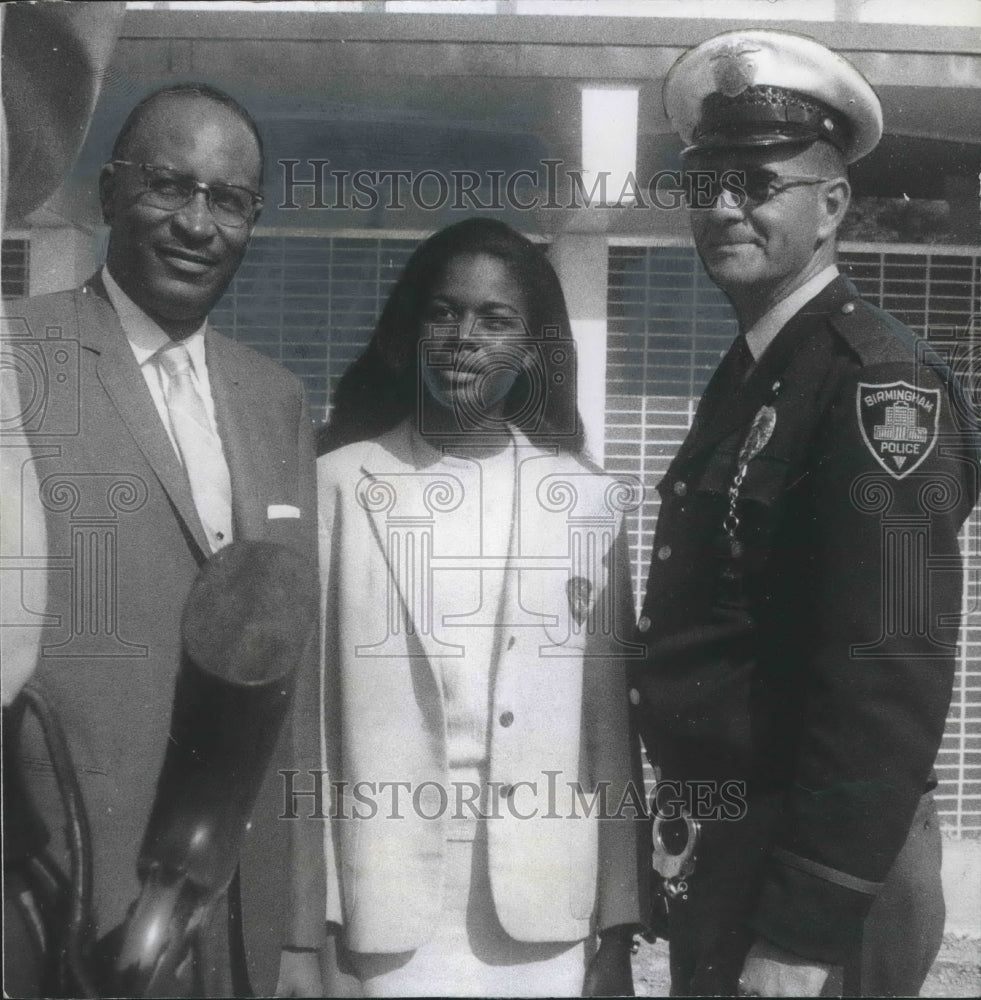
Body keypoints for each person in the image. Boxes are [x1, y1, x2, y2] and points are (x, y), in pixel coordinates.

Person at [629, 29, 979, 998]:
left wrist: (805, 926)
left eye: (756, 181)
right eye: (707, 183)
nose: (725, 206)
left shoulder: (881, 388)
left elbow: (892, 663)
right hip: (739, 847)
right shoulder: (756, 373)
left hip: (822, 876)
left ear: (831, 207)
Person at [2, 83, 319, 996]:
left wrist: (297, 927)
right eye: (167, 187)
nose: (197, 222)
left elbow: (299, 678)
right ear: (107, 196)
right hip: (66, 886)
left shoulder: (276, 400)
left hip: (235, 908)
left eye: (228, 200)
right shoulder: (20, 356)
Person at [292, 218, 648, 997]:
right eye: (443, 312)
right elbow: (308, 727)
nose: (463, 338)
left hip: (546, 910)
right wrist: (309, 927)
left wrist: (616, 926)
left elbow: (607, 729)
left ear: (531, 346)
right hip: (381, 909)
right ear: (410, 329)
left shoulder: (584, 500)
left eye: (495, 319)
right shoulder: (339, 484)